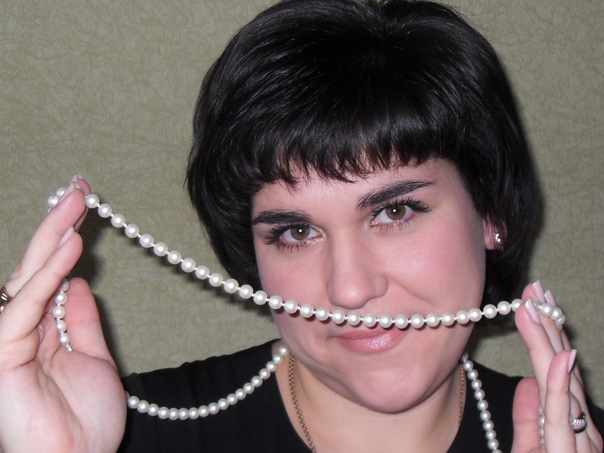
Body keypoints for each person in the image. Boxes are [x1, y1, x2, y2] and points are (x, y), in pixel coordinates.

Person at [0, 0, 601, 451]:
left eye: (393, 212)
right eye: (295, 232)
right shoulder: (115, 432)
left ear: (491, 214)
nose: (349, 290)